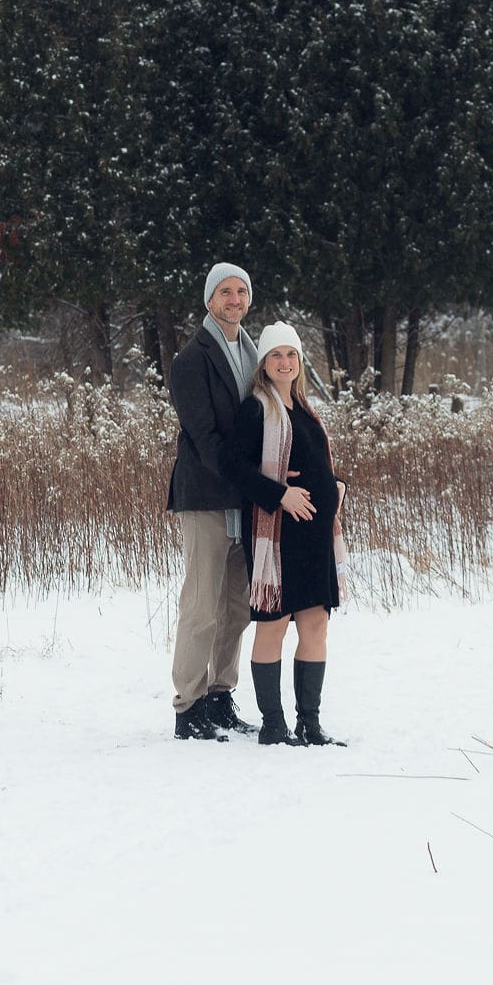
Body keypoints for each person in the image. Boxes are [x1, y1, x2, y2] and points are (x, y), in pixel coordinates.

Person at [166, 264, 303, 740]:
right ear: (210, 299)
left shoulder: (253, 353)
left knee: (238, 608)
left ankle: (221, 696)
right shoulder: (191, 360)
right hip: (206, 496)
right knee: (201, 607)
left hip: (246, 503)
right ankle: (189, 707)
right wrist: (257, 482)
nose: (234, 298)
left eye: (242, 290)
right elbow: (204, 438)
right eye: (225, 291)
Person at [225, 323, 346, 746]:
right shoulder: (256, 409)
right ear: (264, 363)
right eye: (276, 355)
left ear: (299, 362)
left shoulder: (306, 410)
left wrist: (336, 485)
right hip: (278, 536)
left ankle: (308, 723)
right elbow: (236, 469)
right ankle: (273, 725)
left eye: (291, 355)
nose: (284, 362)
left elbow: (314, 463)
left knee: (315, 624)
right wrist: (280, 495)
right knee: (273, 625)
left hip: (314, 539)